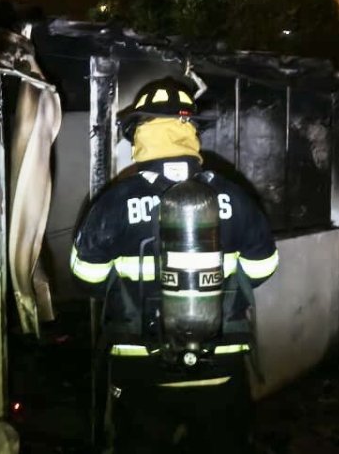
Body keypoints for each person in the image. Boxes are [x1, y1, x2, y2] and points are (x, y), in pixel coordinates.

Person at [69, 76, 279, 453]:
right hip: (222, 364)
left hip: (141, 369)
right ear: (191, 133)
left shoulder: (114, 202)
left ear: (140, 133)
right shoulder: (233, 194)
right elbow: (263, 269)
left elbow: (87, 278)